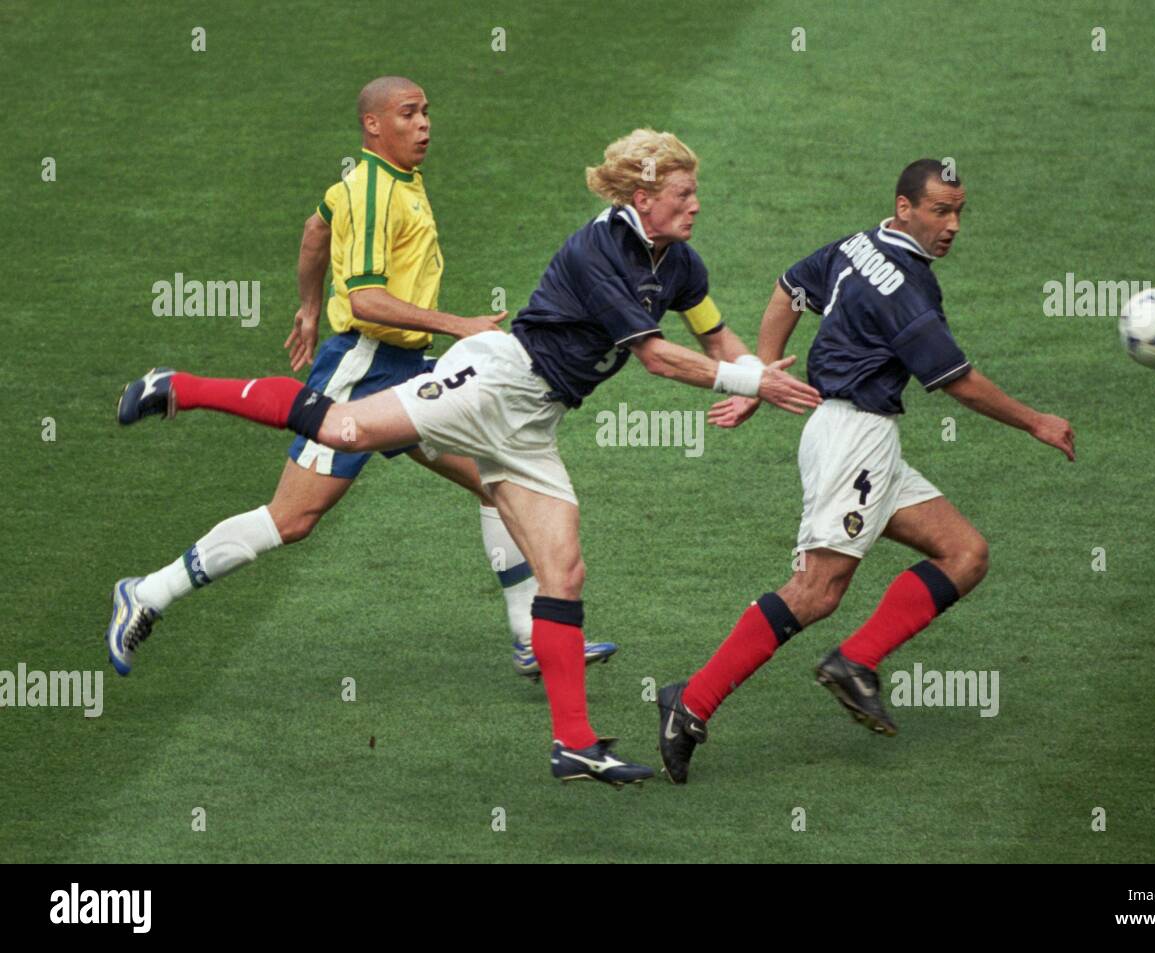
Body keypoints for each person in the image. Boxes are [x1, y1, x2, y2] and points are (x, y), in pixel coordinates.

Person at [113, 129, 823, 786]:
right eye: (683, 196)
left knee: (564, 570)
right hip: (494, 382)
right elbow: (658, 358)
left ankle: (572, 740)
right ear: (643, 199)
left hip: (534, 423)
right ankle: (179, 387)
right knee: (343, 429)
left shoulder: (680, 264)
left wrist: (754, 376)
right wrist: (749, 379)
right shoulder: (600, 249)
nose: (695, 206)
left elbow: (714, 337)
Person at [105, 76, 616, 682]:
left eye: (427, 111)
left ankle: (530, 634)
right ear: (373, 125)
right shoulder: (374, 188)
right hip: (365, 365)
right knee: (291, 519)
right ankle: (148, 591)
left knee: (491, 476)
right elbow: (369, 301)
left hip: (406, 369)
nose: (424, 124)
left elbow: (315, 229)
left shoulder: (384, 181)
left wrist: (307, 304)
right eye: (409, 113)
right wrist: (460, 325)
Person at [656, 159, 1076, 783]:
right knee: (817, 590)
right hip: (855, 438)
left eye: (959, 211)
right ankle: (690, 704)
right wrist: (1035, 420)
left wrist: (762, 374)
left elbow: (788, 287)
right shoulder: (908, 288)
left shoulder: (859, 244)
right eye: (940, 210)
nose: (952, 224)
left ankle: (855, 660)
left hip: (853, 433)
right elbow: (957, 381)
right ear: (905, 207)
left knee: (964, 553)